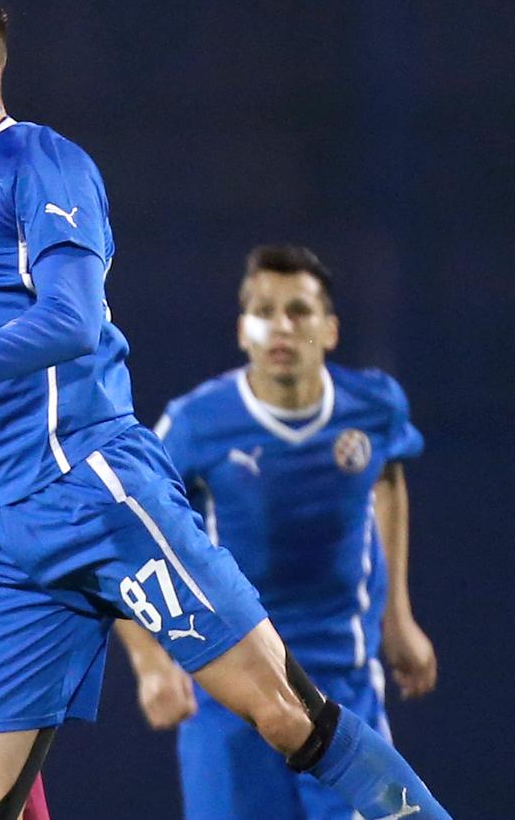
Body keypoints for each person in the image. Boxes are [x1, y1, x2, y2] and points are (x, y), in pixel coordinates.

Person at [0, 0, 451, 819]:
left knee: (284, 714)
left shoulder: (41, 160)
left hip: (99, 489)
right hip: (4, 549)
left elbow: (72, 320)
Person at [115, 244, 438, 819]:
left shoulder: (373, 407)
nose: (281, 327)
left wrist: (399, 618)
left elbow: (387, 481)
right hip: (231, 693)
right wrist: (151, 663)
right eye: (263, 312)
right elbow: (126, 532)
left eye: (299, 311)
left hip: (343, 689)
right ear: (242, 331)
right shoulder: (196, 424)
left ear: (330, 330)